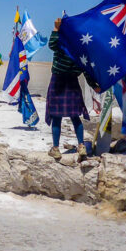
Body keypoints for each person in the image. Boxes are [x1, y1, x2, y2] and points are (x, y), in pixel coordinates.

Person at [46, 18, 97, 160]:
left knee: (56, 117)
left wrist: (56, 28)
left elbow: (52, 44)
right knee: (75, 117)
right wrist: (95, 86)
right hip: (72, 83)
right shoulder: (81, 52)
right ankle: (81, 146)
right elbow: (87, 71)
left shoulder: (63, 45)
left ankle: (55, 149)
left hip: (58, 82)